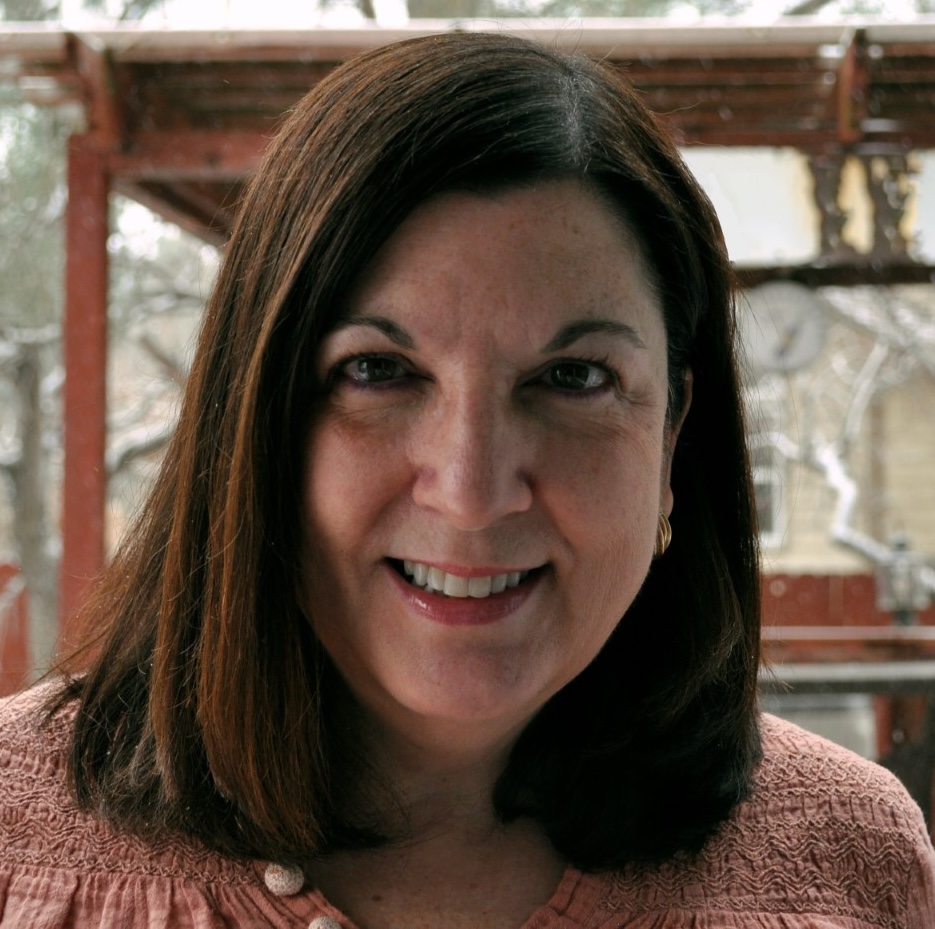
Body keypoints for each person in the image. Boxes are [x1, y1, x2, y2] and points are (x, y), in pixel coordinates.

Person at [1, 30, 933, 928]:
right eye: (377, 370)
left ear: (673, 435)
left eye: (573, 378)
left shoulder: (853, 862)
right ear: (253, 422)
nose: (473, 489)